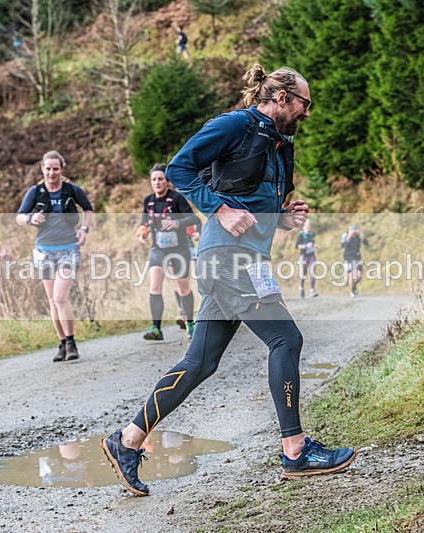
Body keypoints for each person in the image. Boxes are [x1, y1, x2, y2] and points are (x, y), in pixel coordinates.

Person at [101, 64, 356, 496]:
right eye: (303, 103)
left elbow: (251, 204)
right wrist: (218, 210)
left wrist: (284, 218)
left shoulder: (279, 142)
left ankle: (126, 440)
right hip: (226, 258)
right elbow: (181, 169)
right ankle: (295, 452)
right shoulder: (235, 124)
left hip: (243, 257)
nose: (307, 113)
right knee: (285, 340)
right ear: (281, 98)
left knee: (200, 363)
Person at [16, 150, 94, 362]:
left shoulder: (71, 190)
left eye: (55, 169)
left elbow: (88, 209)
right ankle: (62, 344)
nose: (51, 173)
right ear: (42, 169)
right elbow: (19, 217)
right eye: (48, 169)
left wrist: (84, 230)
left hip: (68, 249)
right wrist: (32, 218)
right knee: (52, 300)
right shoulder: (36, 191)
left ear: (61, 169)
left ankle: (71, 342)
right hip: (44, 251)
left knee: (60, 297)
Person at [136, 163, 200, 340]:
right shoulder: (148, 201)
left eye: (160, 179)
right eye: (154, 179)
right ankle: (156, 329)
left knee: (183, 288)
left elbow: (192, 217)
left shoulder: (177, 198)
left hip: (179, 249)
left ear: (167, 181)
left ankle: (189, 323)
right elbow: (144, 223)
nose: (157, 182)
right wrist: (142, 234)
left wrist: (177, 223)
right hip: (158, 249)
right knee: (154, 286)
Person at [340, 224, 368, 298]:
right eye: (352, 230)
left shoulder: (358, 236)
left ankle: (354, 286)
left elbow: (366, 243)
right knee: (351, 275)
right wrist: (349, 236)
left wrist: (362, 235)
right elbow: (343, 245)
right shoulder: (345, 235)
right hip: (348, 258)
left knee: (359, 276)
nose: (354, 232)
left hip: (356, 257)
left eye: (355, 230)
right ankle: (351, 291)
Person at [296, 218, 318, 298]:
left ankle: (312, 290)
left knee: (313, 272)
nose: (308, 227)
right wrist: (305, 246)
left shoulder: (312, 234)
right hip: (303, 255)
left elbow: (312, 243)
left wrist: (314, 245)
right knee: (303, 273)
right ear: (303, 227)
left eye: (309, 225)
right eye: (307, 226)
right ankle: (301, 288)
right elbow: (297, 246)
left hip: (311, 255)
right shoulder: (301, 234)